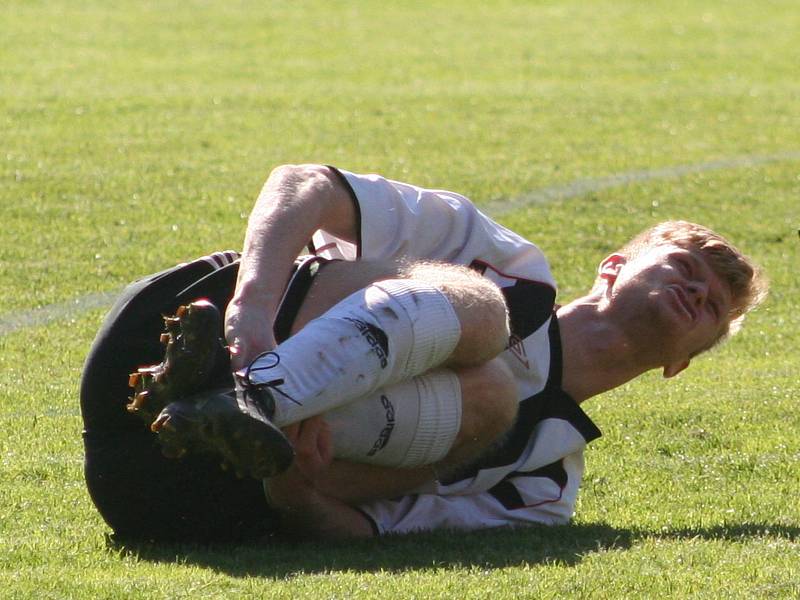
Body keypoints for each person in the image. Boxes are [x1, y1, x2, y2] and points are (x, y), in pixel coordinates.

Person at [80, 164, 767, 542]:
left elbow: (360, 532)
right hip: (169, 336)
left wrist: (296, 490)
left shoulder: (543, 491)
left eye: (711, 305)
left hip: (181, 496)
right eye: (683, 266)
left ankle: (251, 410)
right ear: (613, 266)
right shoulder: (511, 264)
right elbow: (304, 183)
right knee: (489, 312)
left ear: (683, 364)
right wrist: (250, 312)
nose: (698, 290)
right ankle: (255, 384)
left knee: (492, 401)